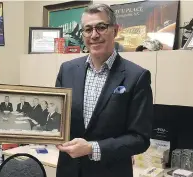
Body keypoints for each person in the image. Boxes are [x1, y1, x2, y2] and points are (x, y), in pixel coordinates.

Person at [55, 4, 153, 177]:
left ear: (115, 30)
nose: (94, 35)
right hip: (69, 171)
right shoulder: (67, 70)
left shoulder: (136, 77)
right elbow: (57, 118)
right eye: (88, 29)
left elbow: (140, 139)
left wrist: (92, 148)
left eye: (101, 27)